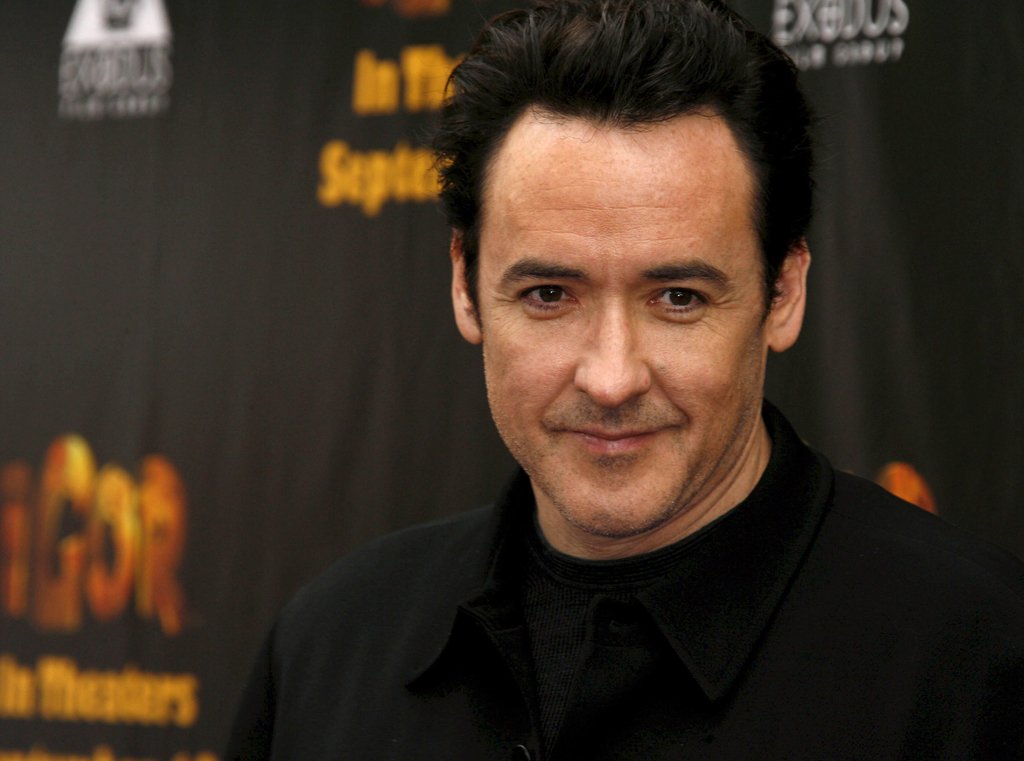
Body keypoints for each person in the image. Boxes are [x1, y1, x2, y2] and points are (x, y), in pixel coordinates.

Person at [226, 0, 1024, 758]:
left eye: (678, 298)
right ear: (465, 286)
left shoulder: (976, 661)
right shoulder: (326, 650)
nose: (611, 378)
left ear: (783, 292)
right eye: (549, 295)